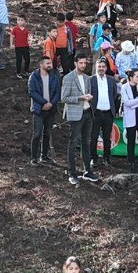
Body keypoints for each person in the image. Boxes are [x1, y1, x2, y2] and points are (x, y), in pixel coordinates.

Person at [62, 54, 98, 185]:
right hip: (76, 114)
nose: (83, 65)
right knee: (73, 144)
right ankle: (72, 173)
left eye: (85, 63)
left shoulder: (87, 78)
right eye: (81, 63)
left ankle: (87, 170)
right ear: (75, 63)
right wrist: (81, 98)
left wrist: (88, 98)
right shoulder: (68, 78)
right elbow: (64, 98)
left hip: (88, 112)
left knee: (86, 142)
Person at [27, 55, 61, 165]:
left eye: (50, 63)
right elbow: (32, 92)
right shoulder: (34, 76)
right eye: (47, 63)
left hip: (51, 110)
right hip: (39, 109)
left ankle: (44, 156)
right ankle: (33, 158)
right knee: (37, 134)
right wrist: (44, 102)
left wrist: (51, 103)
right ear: (41, 64)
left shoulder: (54, 76)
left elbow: (57, 92)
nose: (50, 65)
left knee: (47, 133)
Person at [86, 58, 118, 171]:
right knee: (93, 137)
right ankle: (93, 158)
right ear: (96, 67)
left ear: (106, 68)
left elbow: (115, 95)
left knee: (107, 137)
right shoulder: (91, 80)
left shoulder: (111, 80)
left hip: (108, 113)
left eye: (103, 67)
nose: (101, 69)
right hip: (96, 113)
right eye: (99, 66)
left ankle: (107, 157)